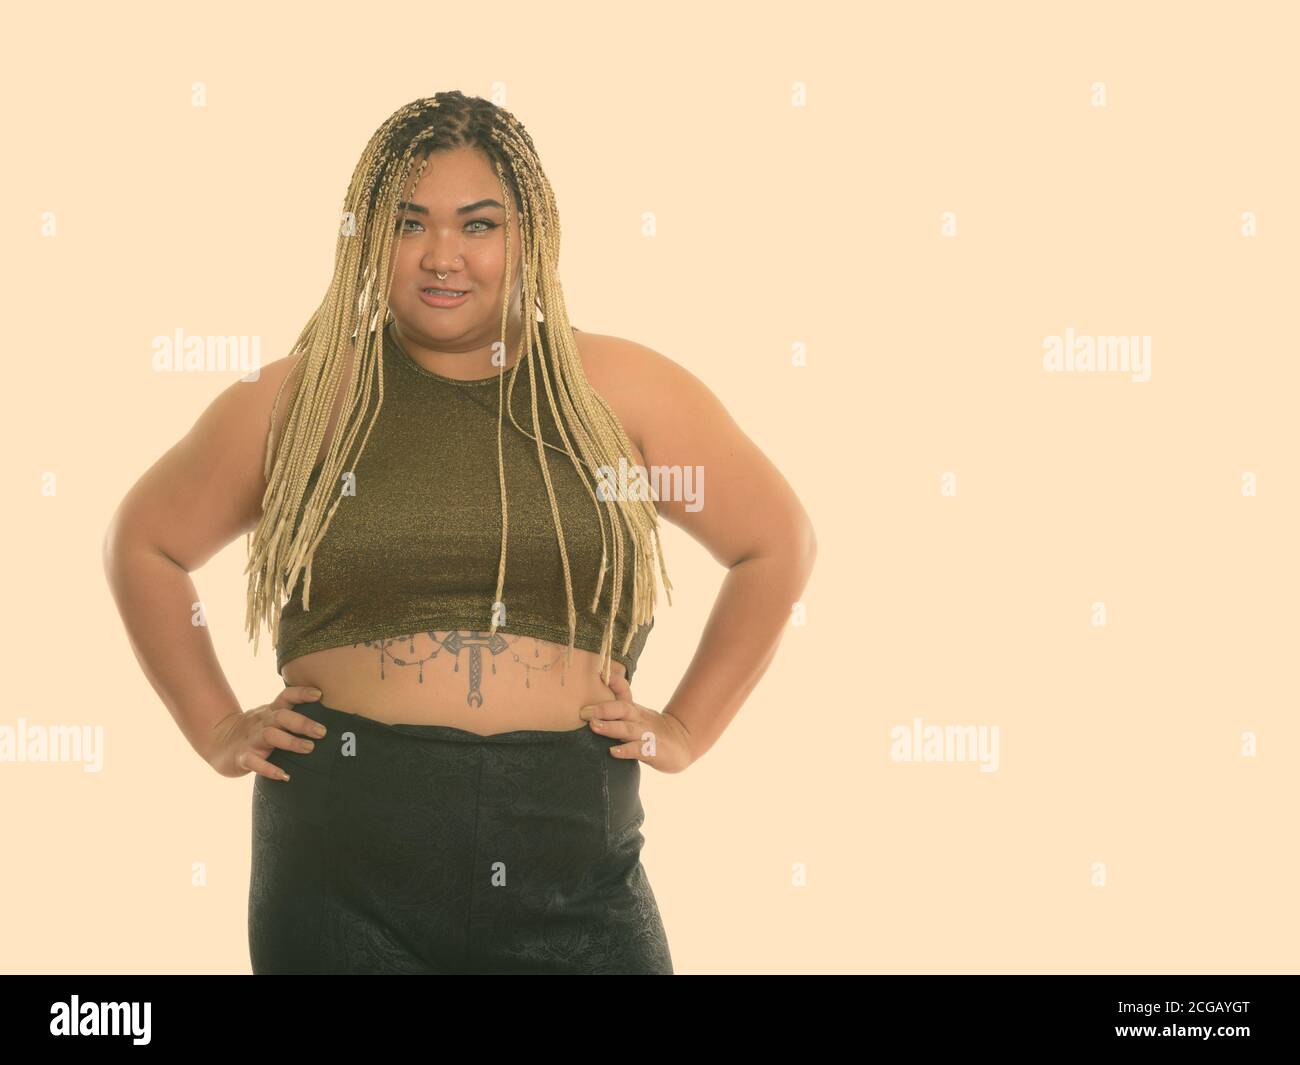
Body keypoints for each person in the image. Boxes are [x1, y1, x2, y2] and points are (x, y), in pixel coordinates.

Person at [102, 91, 818, 974]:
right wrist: (215, 724)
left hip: (572, 850)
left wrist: (687, 726)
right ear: (369, 236)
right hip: (342, 858)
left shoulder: (621, 391)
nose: (443, 256)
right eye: (410, 223)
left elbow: (774, 543)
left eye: (478, 224)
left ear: (531, 236)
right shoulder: (303, 395)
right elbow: (147, 542)